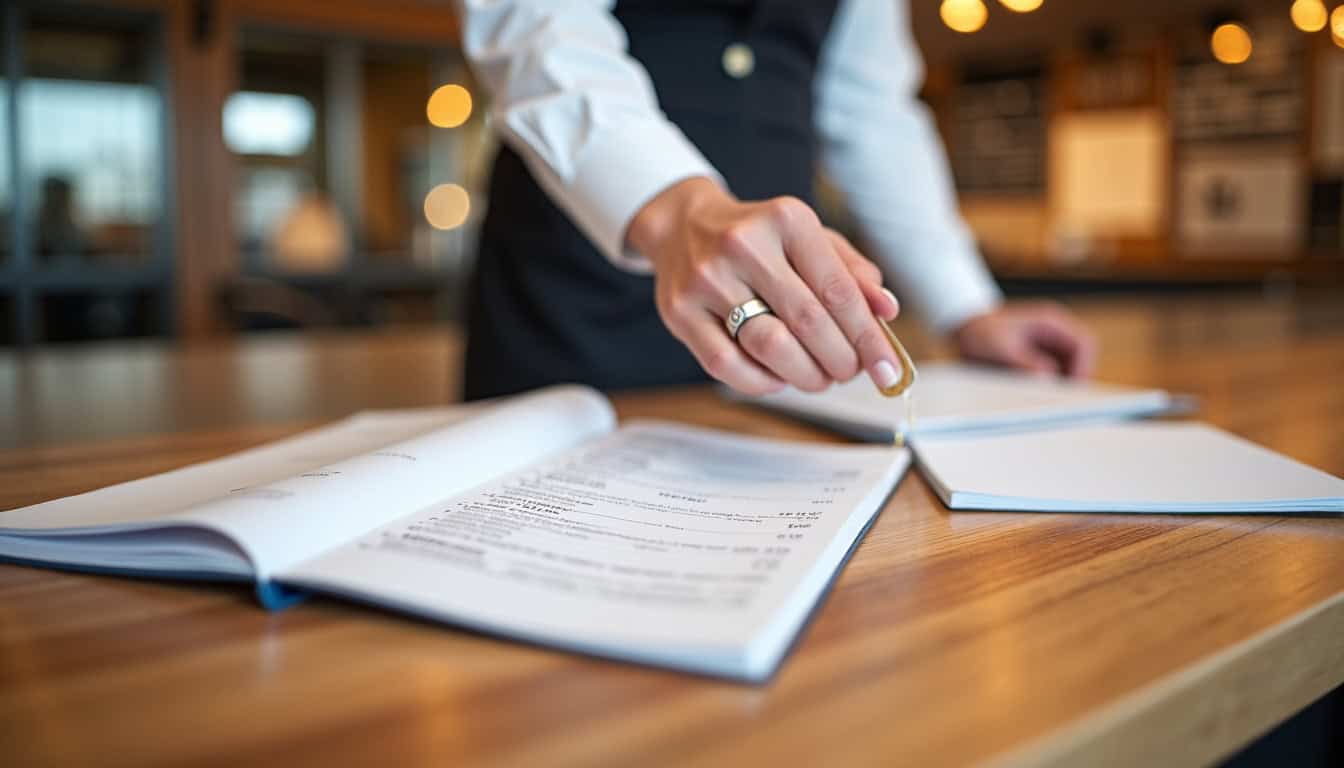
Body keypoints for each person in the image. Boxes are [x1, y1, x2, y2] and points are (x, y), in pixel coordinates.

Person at [455, 0, 1096, 401]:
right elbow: (534, 21)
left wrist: (967, 308)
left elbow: (869, 107)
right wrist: (676, 210)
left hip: (782, 343)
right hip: (571, 300)